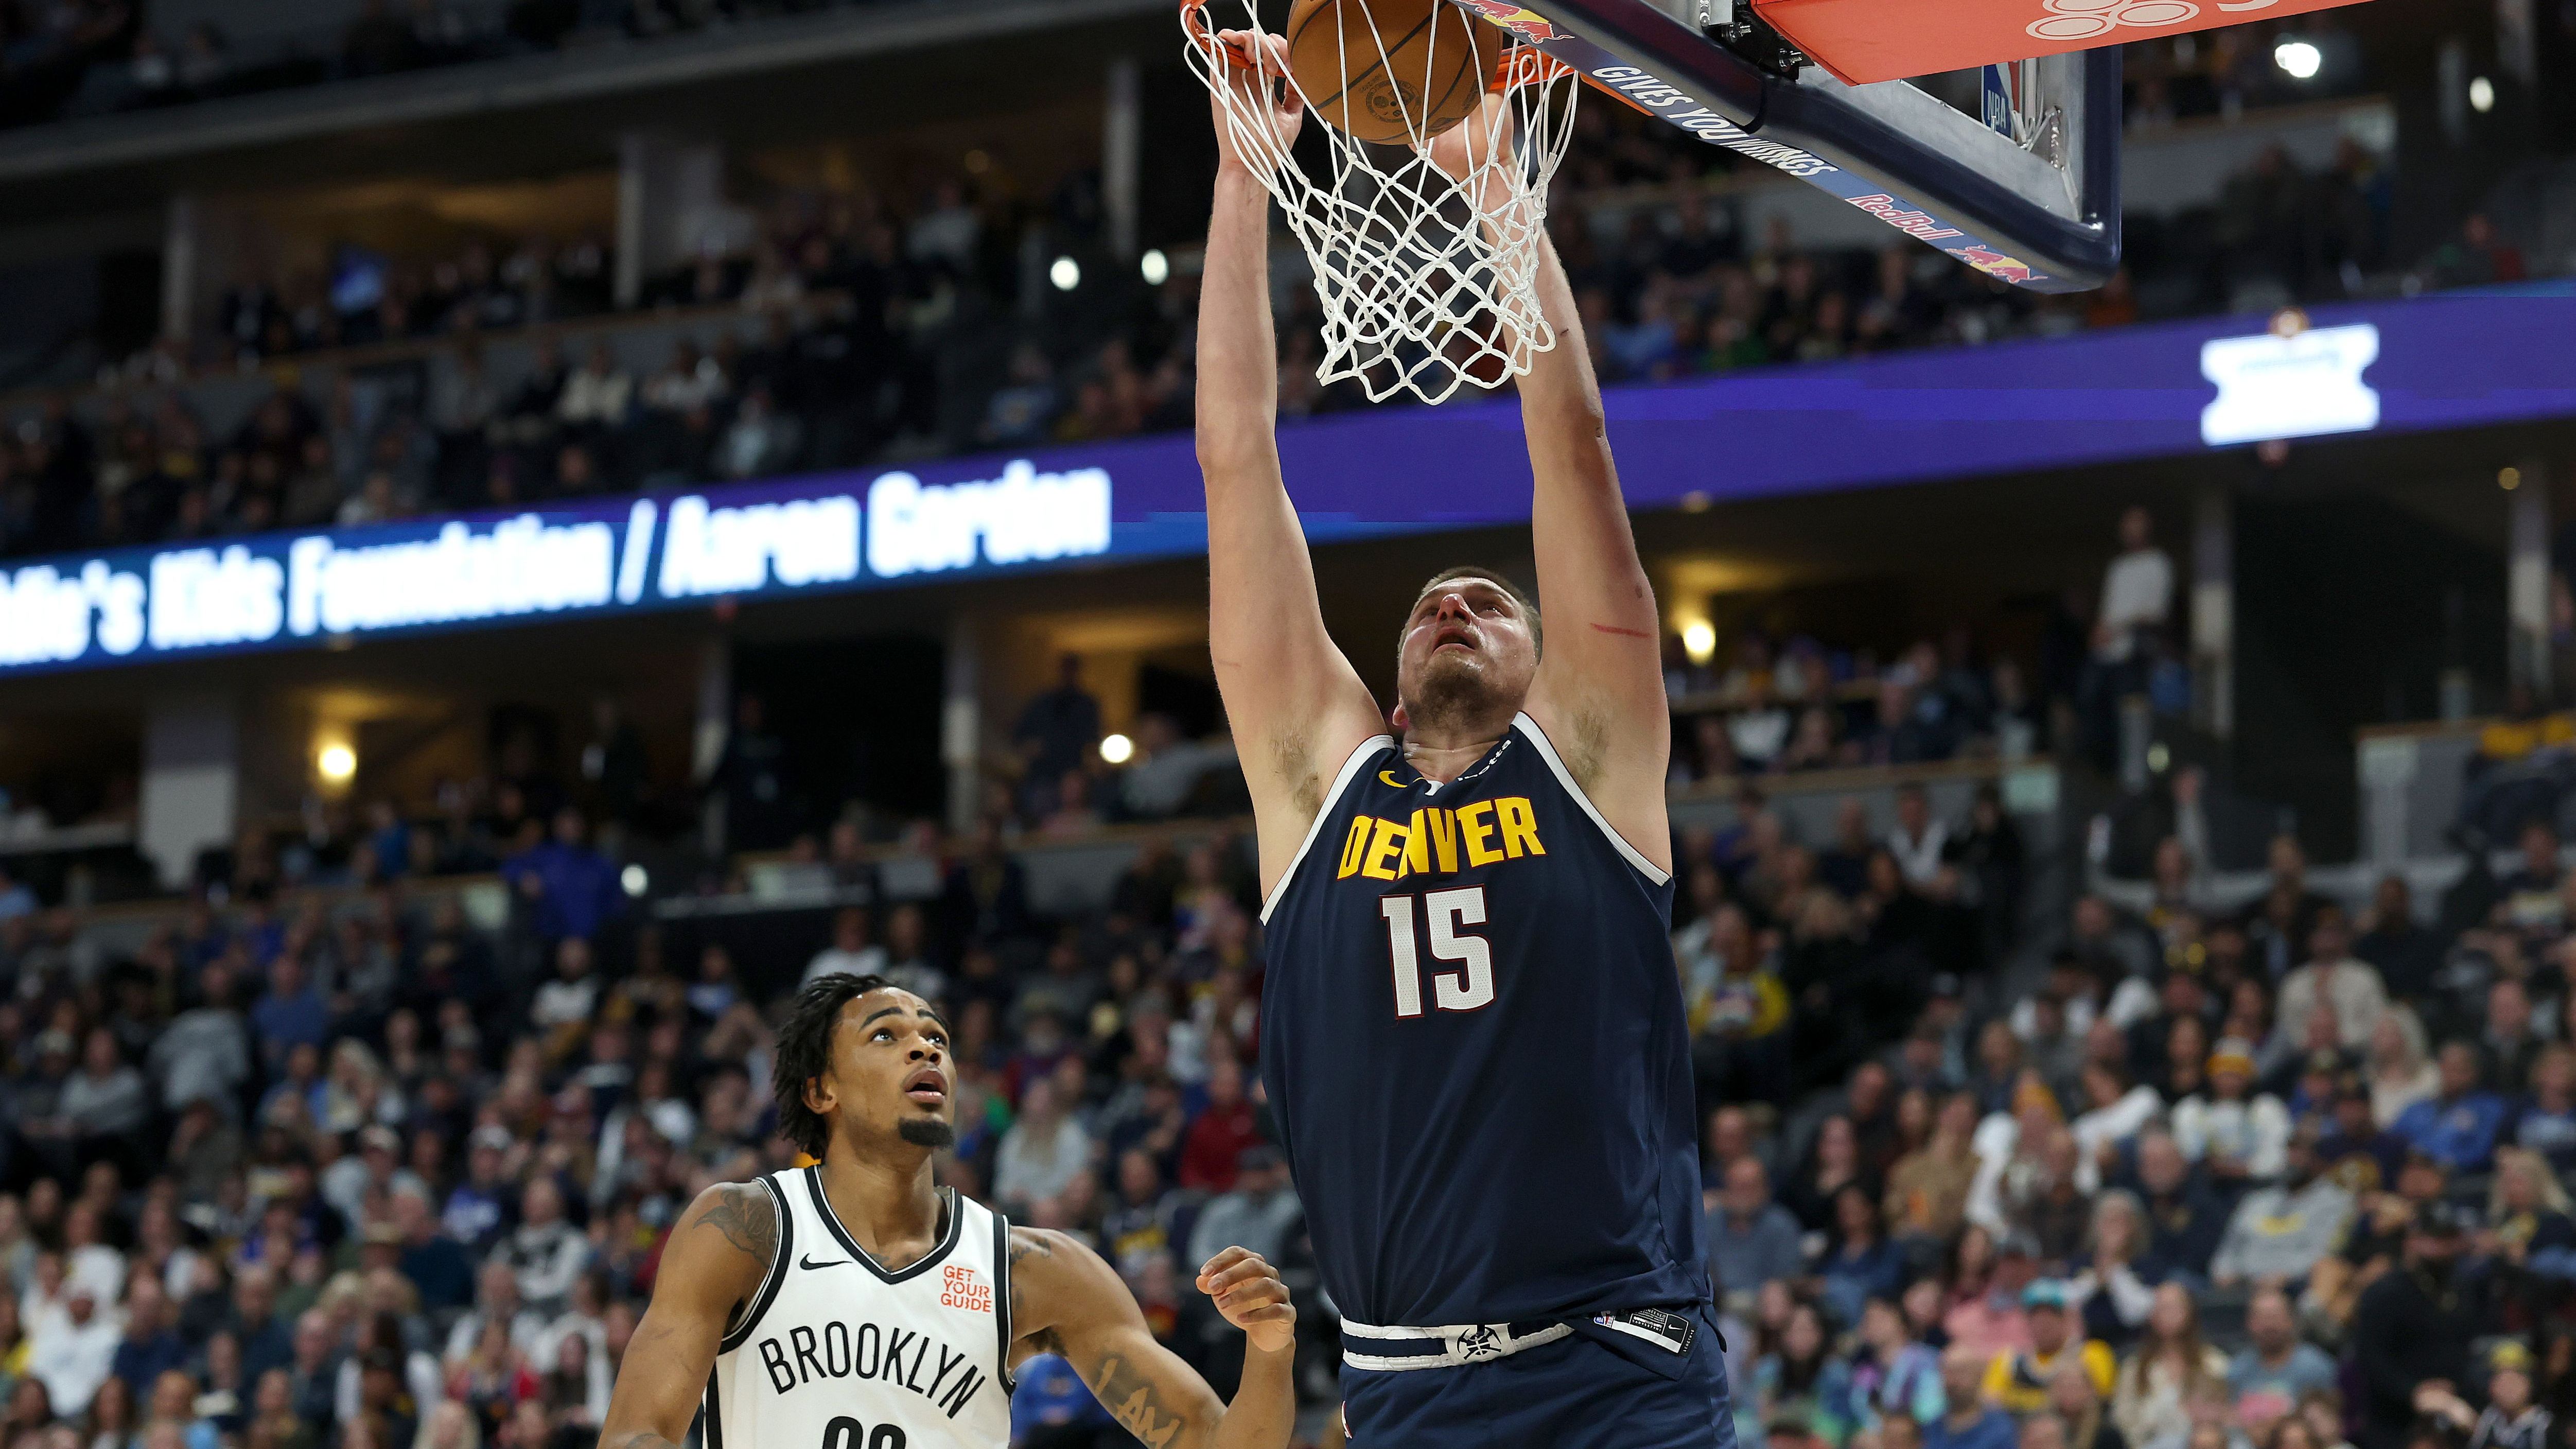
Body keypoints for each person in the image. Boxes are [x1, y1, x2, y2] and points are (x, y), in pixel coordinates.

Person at [1196, 51, 1722, 1448]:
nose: (1453, 599)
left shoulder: (1590, 763)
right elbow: (1235, 457)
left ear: (1551, 671)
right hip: (1402, 1387)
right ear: (1379, 671)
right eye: (1430, 600)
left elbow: (1574, 448)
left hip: (1616, 1365)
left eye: (1492, 602)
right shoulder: (1315, 782)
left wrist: (1495, 177)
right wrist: (1248, 167)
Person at [594, 974, 1300, 1449]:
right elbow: (635, 1433)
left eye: (936, 1036)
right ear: (821, 1090)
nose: (926, 1044)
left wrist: (1269, 1350)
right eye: (885, 1034)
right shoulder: (743, 1230)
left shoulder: (1035, 1270)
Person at [1983, 1281, 2114, 1416]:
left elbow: (2102, 1402)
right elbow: (1989, 1402)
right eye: (2035, 1315)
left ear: (2066, 1317)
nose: (2043, 1321)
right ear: (2026, 1321)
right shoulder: (2009, 1361)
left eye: (2052, 1313)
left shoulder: (2093, 1353)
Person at [2223, 1289, 2336, 1432]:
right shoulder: (2237, 1369)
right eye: (2261, 1318)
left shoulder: (2316, 1367)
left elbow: (2330, 1424)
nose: (2269, 1326)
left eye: (2275, 1317)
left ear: (2291, 1321)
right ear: (2249, 1323)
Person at [1927, 1343, 2018, 1449]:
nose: (1951, 1381)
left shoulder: (2000, 1430)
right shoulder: (1930, 1427)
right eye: (1946, 1372)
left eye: (1960, 1372)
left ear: (1980, 1376)